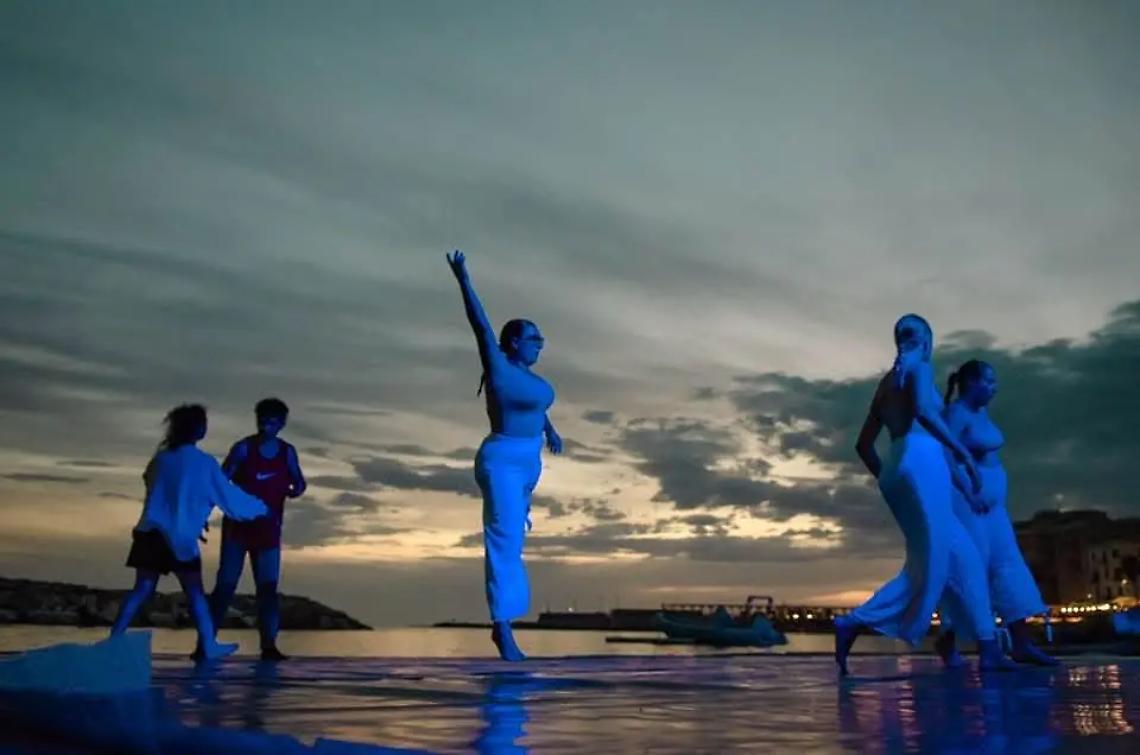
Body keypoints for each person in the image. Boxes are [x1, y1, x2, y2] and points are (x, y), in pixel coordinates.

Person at [834, 315, 1015, 675]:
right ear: (928, 340)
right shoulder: (920, 367)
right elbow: (923, 410)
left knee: (958, 559)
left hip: (900, 465)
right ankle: (854, 622)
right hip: (923, 458)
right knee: (929, 566)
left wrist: (891, 475)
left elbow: (863, 445)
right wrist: (960, 452)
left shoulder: (886, 383)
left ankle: (988, 645)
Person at [447, 250, 562, 661]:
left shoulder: (530, 378)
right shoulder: (498, 366)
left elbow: (536, 407)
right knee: (504, 540)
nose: (540, 346)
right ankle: (502, 629)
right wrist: (463, 279)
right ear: (514, 341)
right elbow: (478, 324)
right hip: (501, 460)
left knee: (514, 536)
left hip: (529, 462)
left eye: (541, 340)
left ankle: (506, 623)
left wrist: (550, 429)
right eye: (535, 339)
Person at [110, 404, 268, 660]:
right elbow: (228, 498)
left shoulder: (160, 459)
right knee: (194, 593)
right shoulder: (204, 463)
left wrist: (191, 512)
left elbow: (150, 483)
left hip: (150, 532)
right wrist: (261, 508)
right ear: (198, 429)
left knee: (141, 589)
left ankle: (114, 638)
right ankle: (209, 644)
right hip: (180, 538)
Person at [934, 360, 1057, 666]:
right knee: (974, 570)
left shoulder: (981, 412)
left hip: (994, 509)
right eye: (988, 381)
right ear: (971, 383)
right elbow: (945, 458)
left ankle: (1022, 643)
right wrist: (967, 492)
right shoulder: (956, 414)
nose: (994, 387)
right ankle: (952, 640)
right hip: (968, 504)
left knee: (1008, 565)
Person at [207, 397, 306, 661]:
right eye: (262, 420)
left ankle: (269, 646)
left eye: (272, 422)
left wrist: (294, 490)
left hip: (269, 531)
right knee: (225, 586)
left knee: (268, 590)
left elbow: (299, 482)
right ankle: (206, 641)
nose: (266, 427)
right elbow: (219, 480)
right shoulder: (243, 448)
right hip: (237, 530)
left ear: (281, 424)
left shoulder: (287, 452)